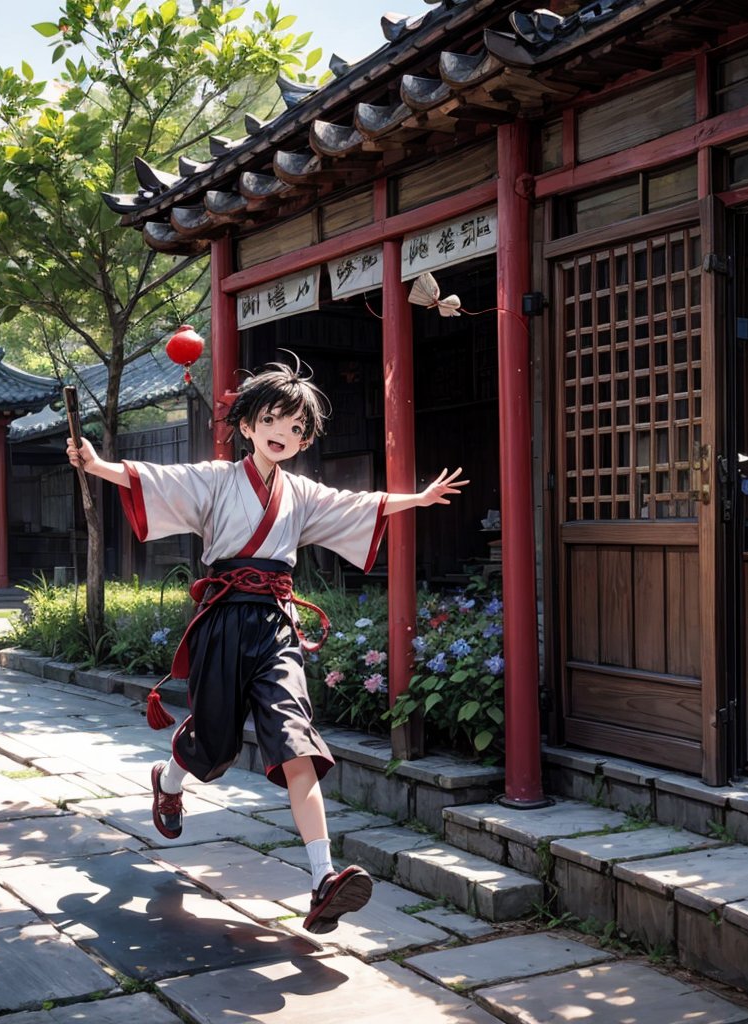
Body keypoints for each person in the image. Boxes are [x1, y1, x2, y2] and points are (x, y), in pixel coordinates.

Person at [67, 358, 466, 934]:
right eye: (274, 418)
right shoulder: (216, 478)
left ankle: (323, 878)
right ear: (247, 425)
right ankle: (169, 781)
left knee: (294, 741)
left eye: (298, 427)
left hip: (277, 625)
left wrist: (418, 499)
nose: (286, 432)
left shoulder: (300, 493)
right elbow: (153, 479)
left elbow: (361, 505)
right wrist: (98, 463)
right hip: (222, 621)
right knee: (214, 745)